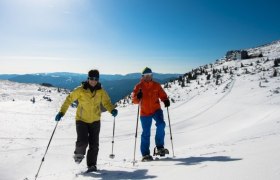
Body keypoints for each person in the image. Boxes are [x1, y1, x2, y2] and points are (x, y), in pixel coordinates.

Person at [55, 69, 118, 172]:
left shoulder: (101, 91)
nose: (93, 81)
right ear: (88, 79)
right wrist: (61, 112)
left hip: (95, 121)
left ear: (98, 79)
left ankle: (92, 165)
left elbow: (106, 102)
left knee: (94, 145)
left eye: (96, 79)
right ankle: (78, 155)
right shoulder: (80, 90)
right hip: (81, 120)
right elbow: (69, 99)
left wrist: (112, 110)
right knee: (83, 141)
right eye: (91, 78)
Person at [132, 67, 170, 161]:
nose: (148, 77)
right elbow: (134, 101)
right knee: (146, 133)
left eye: (149, 75)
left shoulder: (156, 85)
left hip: (156, 110)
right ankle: (145, 154)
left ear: (152, 75)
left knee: (161, 124)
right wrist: (138, 97)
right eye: (146, 75)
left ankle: (160, 147)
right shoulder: (138, 86)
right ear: (142, 76)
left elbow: (162, 94)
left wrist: (165, 100)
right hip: (145, 112)